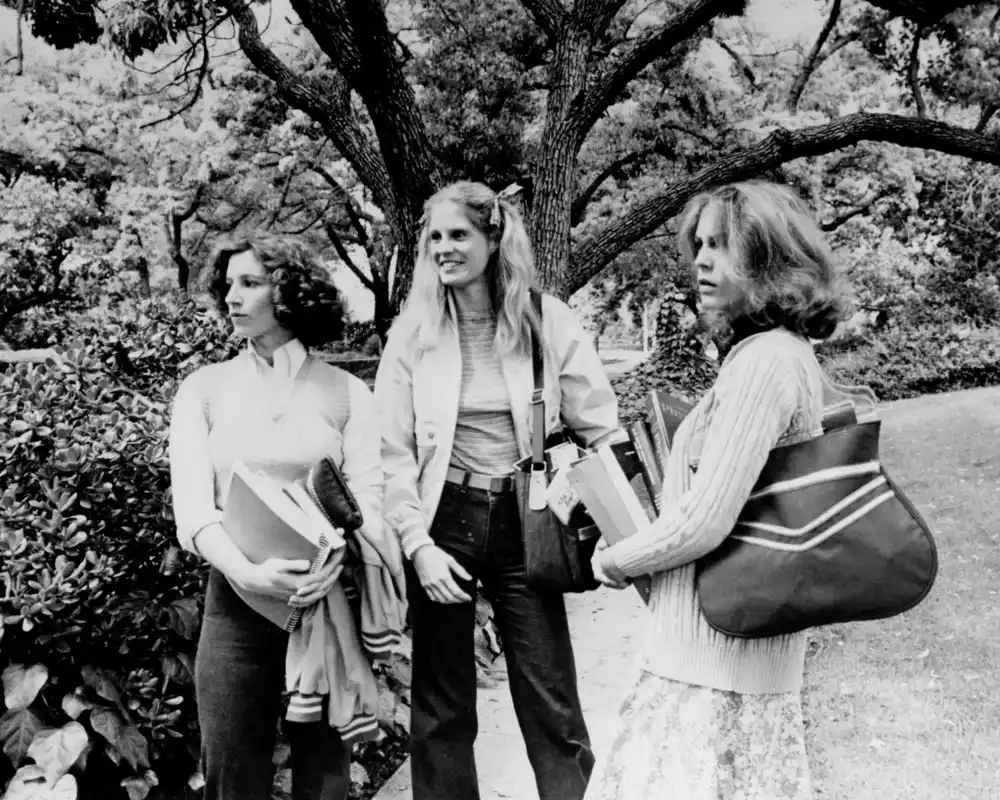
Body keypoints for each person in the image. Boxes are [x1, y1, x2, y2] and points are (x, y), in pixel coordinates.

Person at [586, 181, 850, 799]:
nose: (701, 259)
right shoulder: (766, 355)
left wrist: (619, 559)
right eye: (698, 244)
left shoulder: (764, 363)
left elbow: (707, 521)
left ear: (769, 257)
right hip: (718, 659)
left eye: (722, 246)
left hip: (712, 668)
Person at [374, 181, 622, 800]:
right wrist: (417, 545)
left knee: (549, 697)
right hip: (444, 521)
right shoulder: (414, 333)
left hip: (525, 517)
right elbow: (392, 455)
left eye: (458, 235)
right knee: (441, 707)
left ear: (493, 239)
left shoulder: (544, 318)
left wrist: (621, 519)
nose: (443, 248)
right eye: (434, 237)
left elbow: (601, 425)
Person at [168, 234, 388, 800]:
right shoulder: (204, 391)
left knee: (324, 778)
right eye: (229, 285)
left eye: (251, 283)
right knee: (232, 774)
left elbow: (367, 502)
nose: (232, 297)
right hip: (235, 606)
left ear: (290, 292)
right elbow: (192, 510)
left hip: (323, 604)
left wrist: (336, 557)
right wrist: (246, 573)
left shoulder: (348, 395)